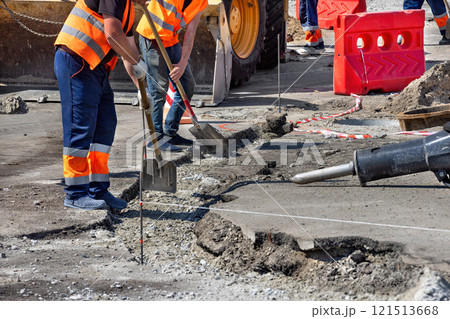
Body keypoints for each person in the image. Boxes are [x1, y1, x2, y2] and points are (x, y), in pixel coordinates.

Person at [54, 0, 148, 210]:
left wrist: (141, 87)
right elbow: (113, 34)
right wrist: (135, 60)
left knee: (105, 125)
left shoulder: (129, 10)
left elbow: (127, 46)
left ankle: (98, 189)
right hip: (76, 61)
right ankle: (75, 194)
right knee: (80, 126)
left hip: (96, 67)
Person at [136, 0, 208, 151]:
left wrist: (182, 63)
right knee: (159, 89)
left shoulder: (200, 2)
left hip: (171, 41)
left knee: (187, 85)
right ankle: (156, 138)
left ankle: (170, 132)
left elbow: (190, 33)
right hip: (151, 38)